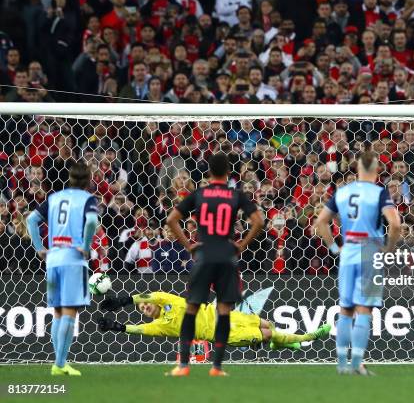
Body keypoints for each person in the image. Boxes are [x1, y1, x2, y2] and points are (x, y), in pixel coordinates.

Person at [164, 153, 264, 377]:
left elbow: (171, 219)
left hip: (205, 256)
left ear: (208, 172)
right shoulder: (235, 194)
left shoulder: (199, 194)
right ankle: (217, 367)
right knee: (224, 311)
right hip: (227, 258)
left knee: (191, 309)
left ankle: (183, 366)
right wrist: (241, 245)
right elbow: (259, 221)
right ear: (229, 172)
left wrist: (189, 246)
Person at [314, 151, 401, 375]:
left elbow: (321, 222)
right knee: (364, 310)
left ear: (358, 168)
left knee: (345, 309)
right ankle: (356, 364)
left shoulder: (343, 192)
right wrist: (388, 249)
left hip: (348, 250)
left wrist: (335, 248)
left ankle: (342, 364)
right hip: (369, 249)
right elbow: (395, 224)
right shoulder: (379, 193)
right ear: (377, 168)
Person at [25, 162, 98, 376]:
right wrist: (85, 247)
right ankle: (59, 363)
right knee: (69, 312)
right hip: (73, 259)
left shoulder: (54, 198)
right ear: (88, 179)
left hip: (53, 259)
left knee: (57, 312)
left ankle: (59, 363)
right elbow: (92, 222)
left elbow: (30, 220)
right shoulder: (87, 199)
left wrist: (40, 249)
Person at [96, 291, 330, 350]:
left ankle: (282, 343)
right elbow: (141, 330)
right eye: (143, 308)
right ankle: (309, 336)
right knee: (267, 334)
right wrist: (118, 327)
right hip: (223, 334)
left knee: (266, 324)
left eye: (146, 304)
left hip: (224, 316)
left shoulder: (168, 301)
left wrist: (125, 300)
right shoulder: (161, 325)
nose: (146, 307)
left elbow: (153, 294)